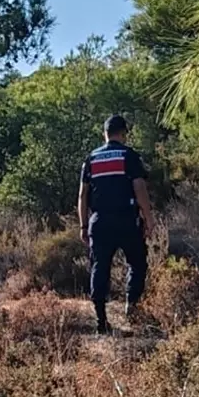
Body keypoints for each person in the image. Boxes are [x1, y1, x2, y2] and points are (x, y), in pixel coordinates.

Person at [79, 114, 154, 334]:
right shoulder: (129, 156)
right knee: (137, 263)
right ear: (123, 134)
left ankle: (100, 319)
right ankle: (132, 304)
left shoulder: (91, 159)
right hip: (126, 219)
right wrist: (148, 218)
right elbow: (139, 188)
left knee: (99, 267)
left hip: (99, 221)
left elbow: (83, 195)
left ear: (105, 134)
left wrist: (83, 225)